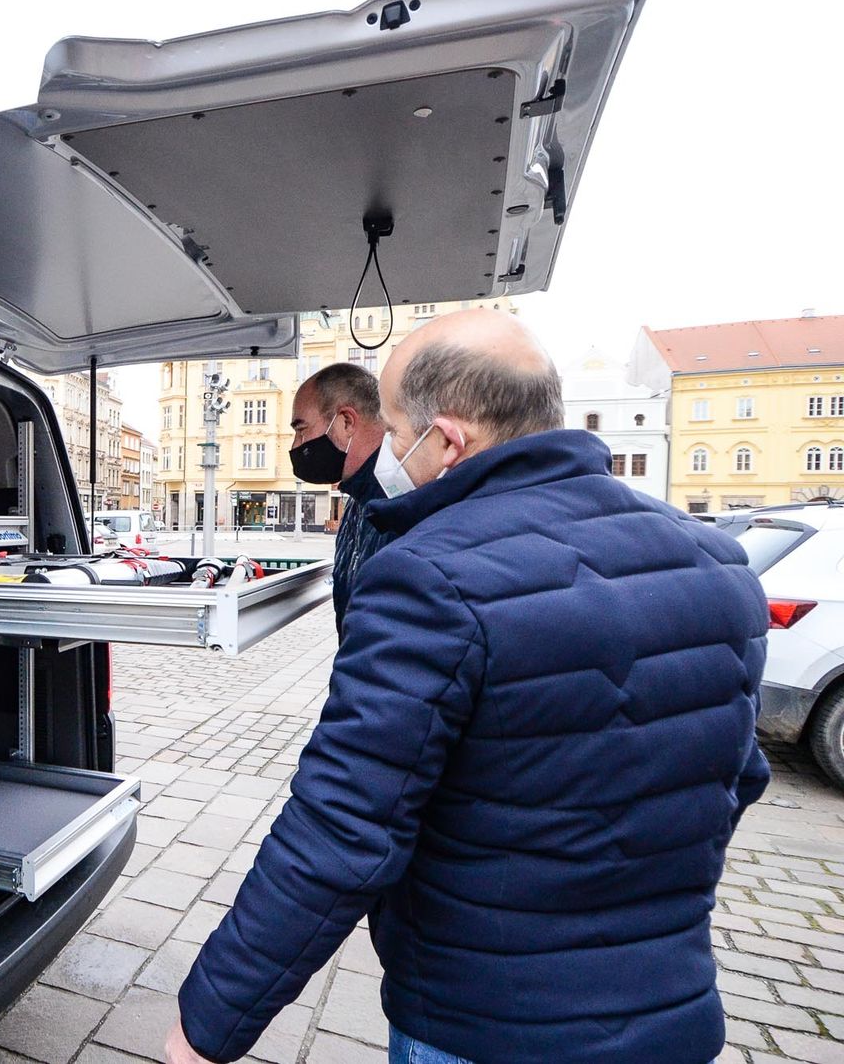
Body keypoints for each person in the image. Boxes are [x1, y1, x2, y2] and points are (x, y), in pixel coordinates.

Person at [166, 309, 770, 1064]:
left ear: (447, 441)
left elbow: (340, 832)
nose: (384, 452)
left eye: (391, 431)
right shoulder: (719, 563)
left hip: (481, 1020)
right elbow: (737, 778)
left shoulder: (428, 577)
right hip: (672, 1017)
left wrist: (205, 1029)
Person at [286, 362, 392, 636]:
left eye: (301, 429)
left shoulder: (400, 506)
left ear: (346, 422)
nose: (297, 446)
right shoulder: (357, 501)